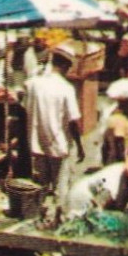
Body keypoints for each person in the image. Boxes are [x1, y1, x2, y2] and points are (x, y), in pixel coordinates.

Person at [63, 146, 128, 227]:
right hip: (82, 201)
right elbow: (98, 205)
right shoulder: (114, 185)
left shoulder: (124, 172)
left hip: (87, 196)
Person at [25, 51, 82, 194]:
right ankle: (58, 214)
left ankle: (40, 211)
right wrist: (79, 145)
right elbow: (73, 121)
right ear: (64, 66)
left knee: (40, 186)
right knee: (60, 187)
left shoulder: (34, 84)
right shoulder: (66, 88)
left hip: (37, 143)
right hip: (59, 144)